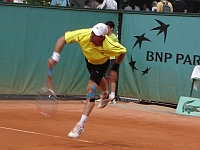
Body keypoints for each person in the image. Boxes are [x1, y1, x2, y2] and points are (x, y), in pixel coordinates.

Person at [48, 23, 127, 138]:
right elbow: (63, 39)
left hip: (102, 64)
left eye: (95, 34)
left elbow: (123, 51)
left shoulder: (109, 45)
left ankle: (80, 125)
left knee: (91, 90)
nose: (91, 35)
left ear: (102, 37)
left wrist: (114, 68)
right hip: (89, 61)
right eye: (92, 32)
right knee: (98, 79)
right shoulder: (84, 35)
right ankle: (105, 95)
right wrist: (55, 57)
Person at [96, 21, 118, 104]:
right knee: (103, 78)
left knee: (110, 78)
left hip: (111, 59)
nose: (107, 29)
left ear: (112, 28)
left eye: (108, 28)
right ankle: (105, 96)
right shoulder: (103, 37)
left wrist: (116, 60)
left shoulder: (114, 37)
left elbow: (116, 49)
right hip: (104, 59)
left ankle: (112, 97)